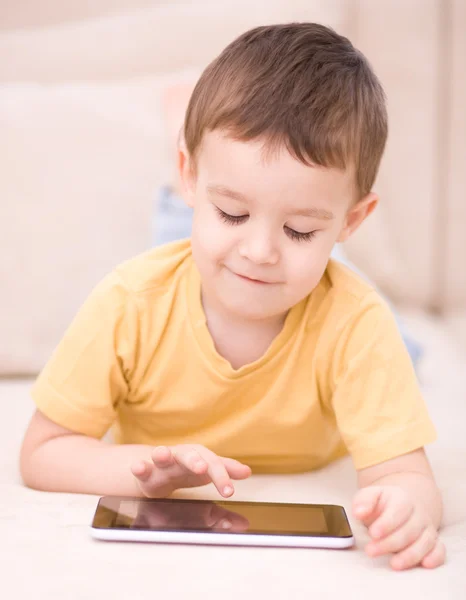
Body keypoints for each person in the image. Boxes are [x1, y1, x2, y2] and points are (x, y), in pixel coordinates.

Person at [20, 23, 445, 570]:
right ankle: (189, 169)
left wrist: (407, 507)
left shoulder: (356, 323)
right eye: (233, 212)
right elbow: (41, 454)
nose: (261, 251)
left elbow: (409, 477)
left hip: (329, 303)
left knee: (398, 344)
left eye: (299, 229)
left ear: (353, 219)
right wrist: (149, 469)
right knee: (178, 236)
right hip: (185, 266)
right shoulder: (130, 301)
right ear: (190, 173)